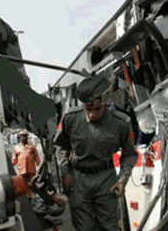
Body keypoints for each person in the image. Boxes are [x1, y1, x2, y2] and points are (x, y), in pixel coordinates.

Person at [54, 76, 137, 231]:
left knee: (108, 226)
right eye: (88, 110)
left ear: (104, 101)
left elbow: (130, 154)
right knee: (83, 227)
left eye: (97, 109)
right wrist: (65, 172)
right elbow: (60, 146)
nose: (92, 114)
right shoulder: (70, 118)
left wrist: (122, 179)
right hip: (78, 180)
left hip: (106, 181)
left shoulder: (121, 122)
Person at [11, 130, 41, 198]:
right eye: (23, 136)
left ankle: (37, 196)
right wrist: (12, 163)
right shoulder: (16, 147)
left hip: (31, 169)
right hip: (22, 169)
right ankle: (28, 196)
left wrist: (38, 162)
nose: (25, 137)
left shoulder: (31, 147)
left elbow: (36, 156)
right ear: (20, 137)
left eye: (26, 136)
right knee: (24, 184)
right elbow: (14, 159)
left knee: (33, 183)